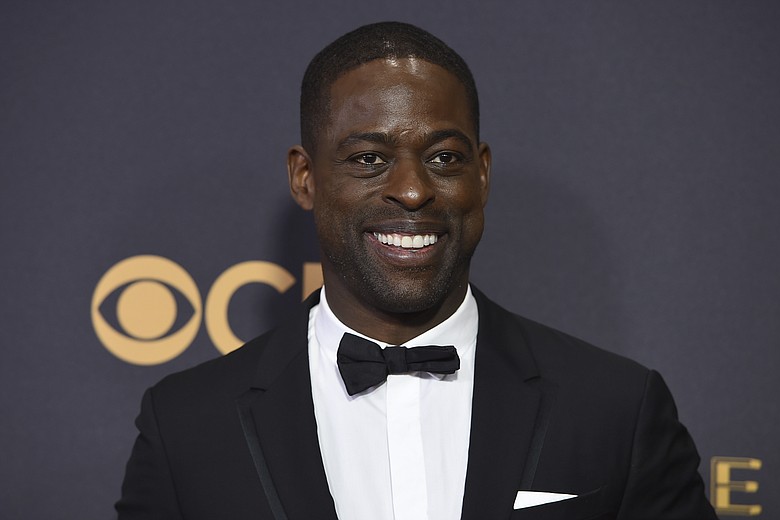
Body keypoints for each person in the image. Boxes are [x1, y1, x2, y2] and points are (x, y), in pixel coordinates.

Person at [116, 21, 718, 520]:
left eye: (444, 157)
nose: (411, 190)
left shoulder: (617, 406)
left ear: (481, 174)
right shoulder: (187, 426)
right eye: (369, 158)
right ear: (305, 177)